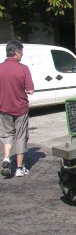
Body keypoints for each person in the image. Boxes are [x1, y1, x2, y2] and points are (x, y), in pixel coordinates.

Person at [0, 40, 35, 177]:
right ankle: (19, 169)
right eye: (21, 52)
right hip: (20, 109)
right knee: (20, 137)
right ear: (16, 52)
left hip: (3, 108)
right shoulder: (23, 68)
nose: (22, 55)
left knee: (7, 134)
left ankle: (7, 157)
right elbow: (30, 90)